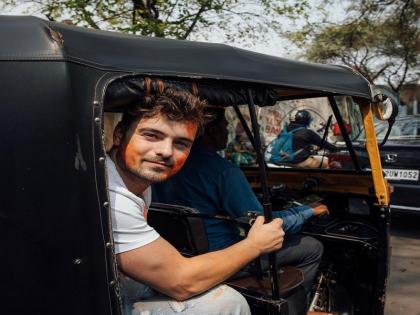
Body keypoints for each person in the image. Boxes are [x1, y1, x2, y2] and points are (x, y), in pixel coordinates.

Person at [107, 89, 285, 315]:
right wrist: (255, 245)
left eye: (181, 143)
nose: (165, 151)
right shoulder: (113, 196)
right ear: (119, 135)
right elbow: (181, 281)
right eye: (151, 135)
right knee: (229, 303)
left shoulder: (138, 183)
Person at [153, 109, 328, 303]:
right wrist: (306, 211)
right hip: (222, 259)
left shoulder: (166, 164)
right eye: (225, 127)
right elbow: (264, 224)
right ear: (211, 131)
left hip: (179, 255)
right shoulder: (223, 171)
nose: (227, 132)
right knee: (312, 247)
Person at [268, 109, 338, 168]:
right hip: (299, 162)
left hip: (282, 161)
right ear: (306, 120)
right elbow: (324, 144)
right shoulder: (307, 132)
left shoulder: (284, 130)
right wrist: (336, 150)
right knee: (328, 163)